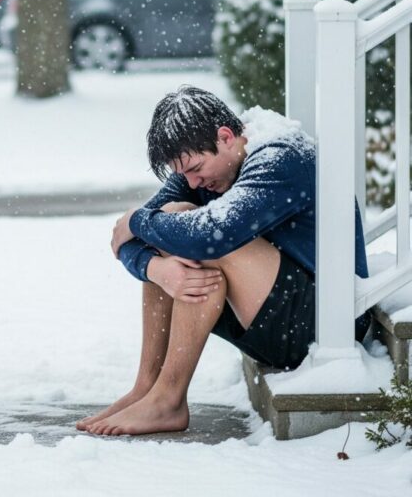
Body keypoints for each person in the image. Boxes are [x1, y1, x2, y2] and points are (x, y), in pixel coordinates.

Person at [76, 85, 370, 437]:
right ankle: (147, 389)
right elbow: (128, 240)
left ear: (226, 137)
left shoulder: (282, 158)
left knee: (194, 232)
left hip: (324, 327)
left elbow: (208, 235)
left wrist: (136, 220)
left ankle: (168, 400)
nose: (192, 181)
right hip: (274, 317)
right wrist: (158, 270)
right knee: (173, 219)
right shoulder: (206, 166)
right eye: (184, 173)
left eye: (196, 169)